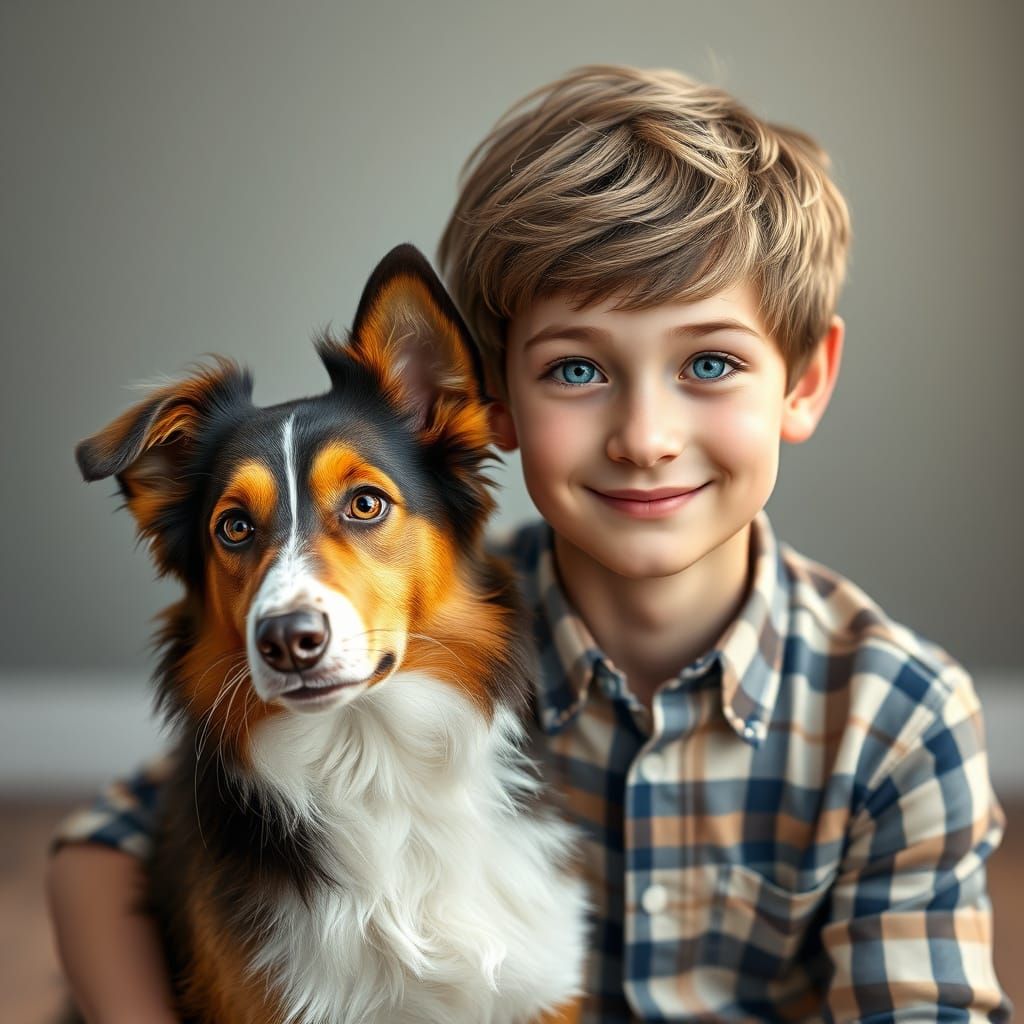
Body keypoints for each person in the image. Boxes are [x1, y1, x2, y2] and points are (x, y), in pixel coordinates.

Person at [47, 64, 1010, 1022]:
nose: (645, 436)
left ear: (802, 381)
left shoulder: (899, 721)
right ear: (487, 402)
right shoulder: (437, 626)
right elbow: (109, 845)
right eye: (579, 368)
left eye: (709, 362)